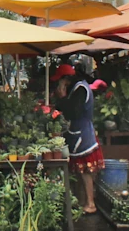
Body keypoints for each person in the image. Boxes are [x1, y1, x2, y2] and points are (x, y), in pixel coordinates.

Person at [52, 64, 104, 215]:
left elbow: (73, 112)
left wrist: (62, 97)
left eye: (61, 81)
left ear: (67, 79)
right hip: (77, 133)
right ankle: (83, 201)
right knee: (79, 170)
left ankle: (90, 203)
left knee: (86, 170)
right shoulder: (76, 89)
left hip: (83, 135)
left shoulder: (81, 89)